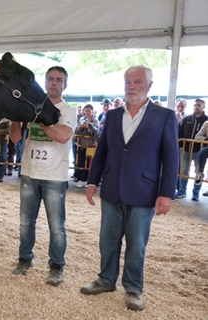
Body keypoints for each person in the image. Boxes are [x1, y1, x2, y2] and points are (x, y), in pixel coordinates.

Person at [80, 66, 178, 311]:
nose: (131, 86)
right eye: (128, 82)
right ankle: (105, 280)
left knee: (137, 243)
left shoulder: (164, 116)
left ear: (149, 85)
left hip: (144, 191)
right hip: (112, 187)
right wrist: (92, 181)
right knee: (107, 240)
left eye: (137, 81)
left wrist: (166, 193)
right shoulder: (112, 116)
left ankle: (133, 288)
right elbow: (102, 151)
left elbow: (171, 157)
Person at [10, 66, 76, 287]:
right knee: (25, 222)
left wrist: (40, 119)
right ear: (45, 82)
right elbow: (15, 138)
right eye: (50, 79)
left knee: (56, 225)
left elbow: (62, 136)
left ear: (65, 85)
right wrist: (17, 117)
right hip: (29, 172)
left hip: (55, 176)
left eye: (59, 80)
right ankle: (24, 259)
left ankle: (56, 265)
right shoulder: (31, 108)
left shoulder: (68, 110)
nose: (54, 83)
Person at [175, 99, 208, 201]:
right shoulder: (187, 118)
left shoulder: (206, 120)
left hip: (199, 151)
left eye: (198, 105)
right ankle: (182, 191)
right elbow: (179, 131)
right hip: (185, 149)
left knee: (199, 172)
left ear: (204, 107)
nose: (196, 107)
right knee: (183, 170)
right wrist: (180, 144)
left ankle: (196, 193)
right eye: (194, 105)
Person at [73, 104, 99, 188]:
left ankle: (87, 180)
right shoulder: (81, 119)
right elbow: (76, 130)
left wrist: (89, 126)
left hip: (91, 145)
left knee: (89, 162)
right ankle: (80, 179)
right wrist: (81, 127)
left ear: (92, 111)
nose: (87, 112)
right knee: (80, 161)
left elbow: (97, 132)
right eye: (85, 110)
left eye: (89, 110)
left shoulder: (95, 120)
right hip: (81, 144)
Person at [194, 120, 208, 193]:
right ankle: (200, 173)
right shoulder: (206, 123)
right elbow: (197, 137)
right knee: (203, 151)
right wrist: (206, 139)